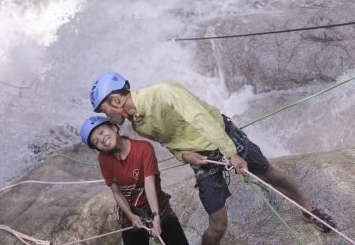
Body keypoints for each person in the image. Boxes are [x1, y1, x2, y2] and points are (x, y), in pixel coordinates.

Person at [89, 72, 336, 245]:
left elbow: (201, 119)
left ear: (115, 99)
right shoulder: (139, 125)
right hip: (203, 159)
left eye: (104, 110)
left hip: (225, 136)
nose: (106, 118)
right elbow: (169, 142)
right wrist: (184, 155)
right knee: (217, 226)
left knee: (268, 173)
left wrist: (232, 153)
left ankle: (307, 209)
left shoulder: (164, 92)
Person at [80, 115, 189, 245]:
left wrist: (156, 215)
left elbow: (149, 184)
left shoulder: (143, 148)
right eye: (96, 142)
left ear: (114, 127)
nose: (101, 139)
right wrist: (131, 216)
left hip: (156, 207)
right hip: (131, 213)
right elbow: (116, 192)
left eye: (101, 132)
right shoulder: (104, 160)